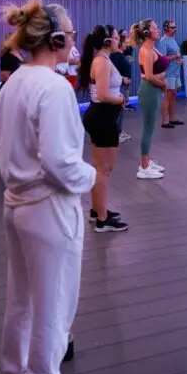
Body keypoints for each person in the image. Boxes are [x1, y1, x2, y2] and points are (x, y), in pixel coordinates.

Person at [0, 0, 95, 374]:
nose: (74, 41)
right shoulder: (54, 88)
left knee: (20, 296)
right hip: (49, 210)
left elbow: (0, 146)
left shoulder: (13, 84)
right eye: (71, 34)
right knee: (54, 305)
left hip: (16, 205)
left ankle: (15, 371)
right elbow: (59, 162)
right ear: (56, 40)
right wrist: (90, 177)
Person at [79, 25, 129, 233]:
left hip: (103, 116)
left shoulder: (104, 60)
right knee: (104, 169)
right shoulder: (101, 61)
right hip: (103, 117)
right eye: (117, 38)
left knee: (99, 167)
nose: (120, 41)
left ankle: (97, 210)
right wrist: (120, 100)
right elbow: (102, 95)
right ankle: (102, 219)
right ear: (108, 41)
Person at [131, 19, 168, 179]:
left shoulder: (152, 48)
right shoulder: (145, 51)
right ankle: (144, 167)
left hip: (154, 90)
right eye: (155, 28)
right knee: (148, 128)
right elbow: (149, 76)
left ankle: (147, 160)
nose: (158, 30)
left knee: (151, 128)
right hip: (149, 91)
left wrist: (161, 77)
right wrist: (163, 83)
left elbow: (152, 73)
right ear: (147, 32)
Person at [156, 19, 185, 128]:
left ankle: (172, 119)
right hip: (168, 74)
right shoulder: (163, 41)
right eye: (172, 27)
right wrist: (175, 56)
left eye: (175, 27)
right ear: (166, 28)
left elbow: (177, 54)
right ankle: (164, 121)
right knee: (167, 97)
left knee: (173, 96)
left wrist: (179, 59)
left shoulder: (173, 40)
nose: (175, 29)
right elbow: (162, 59)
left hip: (175, 72)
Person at [108, 27, 132, 143]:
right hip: (116, 87)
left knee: (120, 110)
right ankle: (116, 133)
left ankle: (120, 131)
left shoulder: (123, 54)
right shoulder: (114, 56)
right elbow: (113, 72)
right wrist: (122, 79)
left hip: (120, 86)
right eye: (124, 42)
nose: (126, 44)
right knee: (117, 111)